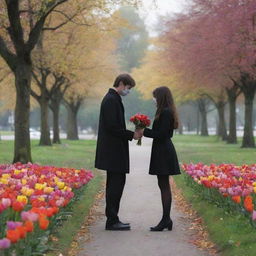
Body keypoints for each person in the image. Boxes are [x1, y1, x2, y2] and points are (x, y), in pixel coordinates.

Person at [95, 74, 142, 231]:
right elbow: (112, 127)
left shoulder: (113, 98)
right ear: (121, 84)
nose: (128, 91)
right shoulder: (110, 100)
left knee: (116, 184)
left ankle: (113, 218)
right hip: (112, 151)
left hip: (114, 150)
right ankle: (112, 220)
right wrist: (131, 135)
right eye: (128, 88)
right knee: (115, 185)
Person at [138, 86, 181, 231]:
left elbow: (162, 134)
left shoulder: (166, 112)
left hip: (163, 152)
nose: (153, 99)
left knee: (164, 186)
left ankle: (165, 219)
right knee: (163, 185)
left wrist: (145, 131)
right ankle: (166, 219)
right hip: (161, 151)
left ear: (161, 97)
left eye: (155, 96)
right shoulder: (165, 111)